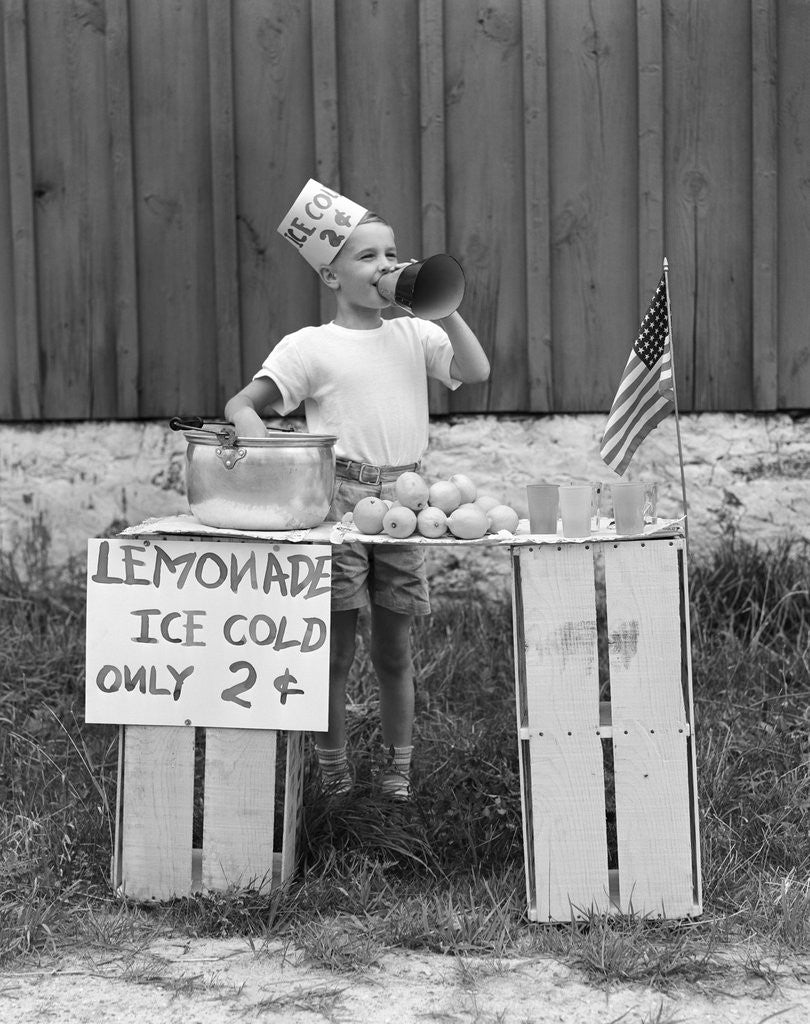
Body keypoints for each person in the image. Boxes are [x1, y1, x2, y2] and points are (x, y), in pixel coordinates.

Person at [225, 203, 489, 801]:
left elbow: (476, 370)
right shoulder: (309, 347)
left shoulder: (414, 332)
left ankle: (398, 770)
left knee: (394, 647)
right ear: (331, 276)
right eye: (367, 256)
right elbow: (243, 402)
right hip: (339, 500)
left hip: (406, 496)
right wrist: (252, 428)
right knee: (335, 648)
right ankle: (334, 770)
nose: (386, 266)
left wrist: (446, 312)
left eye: (392, 254)